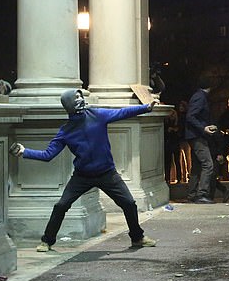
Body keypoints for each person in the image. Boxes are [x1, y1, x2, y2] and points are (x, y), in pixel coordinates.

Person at [9, 89, 158, 252]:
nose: (81, 99)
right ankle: (47, 241)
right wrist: (25, 152)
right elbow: (48, 155)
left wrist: (146, 107)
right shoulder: (66, 131)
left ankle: (137, 238)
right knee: (61, 206)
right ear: (69, 104)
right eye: (77, 97)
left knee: (129, 203)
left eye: (80, 96)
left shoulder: (97, 114)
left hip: (107, 173)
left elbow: (122, 112)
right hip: (82, 176)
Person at [185, 77, 218, 204]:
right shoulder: (201, 97)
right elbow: (191, 116)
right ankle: (201, 194)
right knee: (208, 164)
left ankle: (192, 194)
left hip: (194, 135)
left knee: (197, 166)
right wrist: (204, 128)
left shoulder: (198, 96)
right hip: (197, 135)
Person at [163, 108, 182, 184]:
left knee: (177, 161)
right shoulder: (166, 122)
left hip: (175, 143)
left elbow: (180, 133)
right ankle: (167, 178)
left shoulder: (178, 123)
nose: (172, 116)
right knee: (168, 162)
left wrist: (175, 130)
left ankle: (179, 178)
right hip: (168, 143)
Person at [176, 100, 191, 182]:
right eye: (180, 107)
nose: (180, 108)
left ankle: (189, 174)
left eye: (182, 107)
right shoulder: (179, 116)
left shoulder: (186, 117)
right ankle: (183, 176)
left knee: (187, 158)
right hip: (181, 138)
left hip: (185, 139)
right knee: (181, 159)